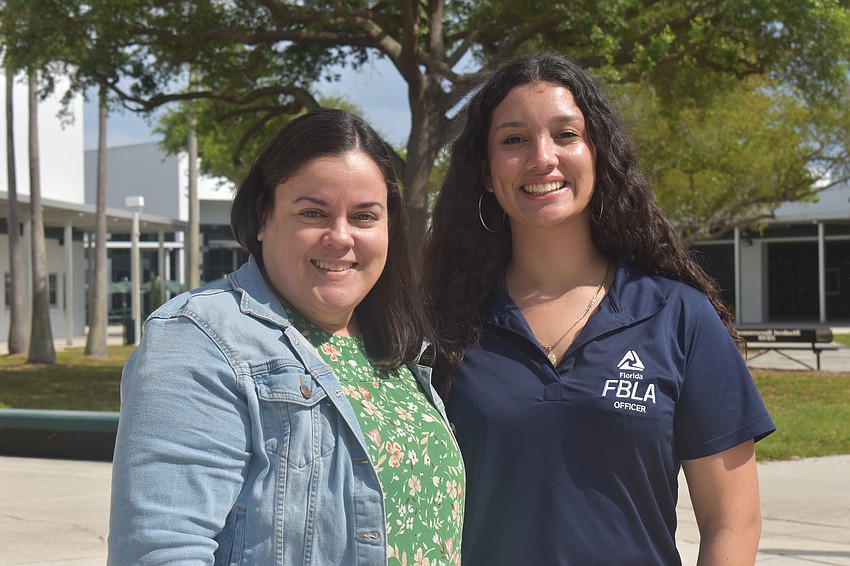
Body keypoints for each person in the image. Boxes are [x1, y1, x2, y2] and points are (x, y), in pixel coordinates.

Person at [422, 53, 775, 565]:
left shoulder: (678, 316)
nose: (542, 158)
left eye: (566, 135)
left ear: (597, 152)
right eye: (514, 139)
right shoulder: (442, 325)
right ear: (484, 167)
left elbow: (732, 523)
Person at [108, 109, 464, 566]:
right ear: (263, 215)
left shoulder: (398, 348)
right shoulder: (199, 339)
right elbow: (160, 550)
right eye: (312, 212)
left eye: (364, 216)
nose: (340, 237)